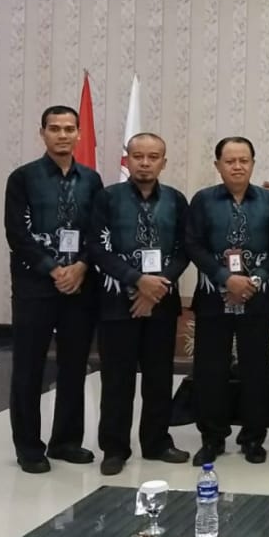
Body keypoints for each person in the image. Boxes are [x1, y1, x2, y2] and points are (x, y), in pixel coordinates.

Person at [5, 105, 104, 474]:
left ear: (79, 133)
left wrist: (81, 266)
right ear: (42, 133)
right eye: (54, 128)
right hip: (36, 286)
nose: (62, 135)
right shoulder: (23, 178)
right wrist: (53, 269)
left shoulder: (91, 180)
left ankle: (66, 441)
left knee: (74, 366)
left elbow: (98, 231)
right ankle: (29, 446)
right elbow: (18, 234)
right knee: (29, 366)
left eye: (69, 128)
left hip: (80, 284)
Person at [184, 136, 269, 466]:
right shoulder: (203, 200)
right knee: (210, 369)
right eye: (230, 161)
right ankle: (212, 438)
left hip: (257, 297)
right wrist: (225, 278)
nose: (237, 166)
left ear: (253, 164)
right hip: (213, 297)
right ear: (217, 165)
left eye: (243, 160)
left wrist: (256, 278)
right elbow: (192, 244)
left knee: (255, 368)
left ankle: (253, 438)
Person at [88, 133, 191, 476]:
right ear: (127, 159)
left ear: (164, 161)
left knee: (159, 379)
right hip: (118, 303)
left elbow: (185, 249)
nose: (145, 163)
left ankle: (157, 442)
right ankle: (114, 448)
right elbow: (97, 248)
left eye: (153, 157)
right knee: (117, 380)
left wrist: (155, 288)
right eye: (138, 156)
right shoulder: (107, 198)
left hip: (162, 301)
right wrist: (137, 280)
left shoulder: (176, 200)